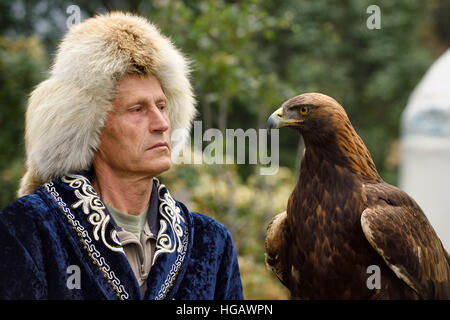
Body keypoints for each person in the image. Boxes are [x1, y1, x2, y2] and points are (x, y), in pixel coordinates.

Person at [0, 11, 243, 300]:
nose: (162, 124)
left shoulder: (212, 243)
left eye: (162, 106)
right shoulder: (29, 229)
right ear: (91, 128)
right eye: (137, 109)